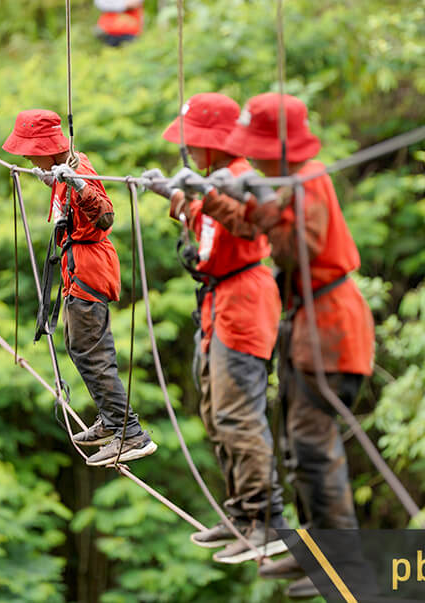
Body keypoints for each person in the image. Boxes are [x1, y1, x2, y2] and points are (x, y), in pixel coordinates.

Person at [194, 93, 376, 598]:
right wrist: (207, 196)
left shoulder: (309, 179)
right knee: (297, 445)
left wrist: (263, 198)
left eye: (256, 149)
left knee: (313, 446)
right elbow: (255, 225)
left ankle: (344, 564)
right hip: (307, 325)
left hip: (332, 324)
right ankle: (317, 550)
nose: (251, 159)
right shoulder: (285, 183)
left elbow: (299, 249)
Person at [141, 93, 289, 565]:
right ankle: (242, 514)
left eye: (193, 141)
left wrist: (204, 192)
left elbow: (249, 228)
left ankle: (267, 520)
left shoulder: (242, 178)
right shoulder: (211, 181)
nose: (187, 149)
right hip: (217, 303)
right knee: (214, 411)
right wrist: (173, 194)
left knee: (237, 414)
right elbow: (206, 223)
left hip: (244, 302)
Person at [2, 109, 156, 466]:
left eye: (31, 152)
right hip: (77, 267)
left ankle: (129, 432)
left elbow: (105, 216)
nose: (28, 159)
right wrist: (54, 182)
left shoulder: (77, 170)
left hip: (89, 267)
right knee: (78, 343)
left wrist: (77, 184)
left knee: (92, 350)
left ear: (46, 148)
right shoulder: (64, 169)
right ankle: (111, 421)